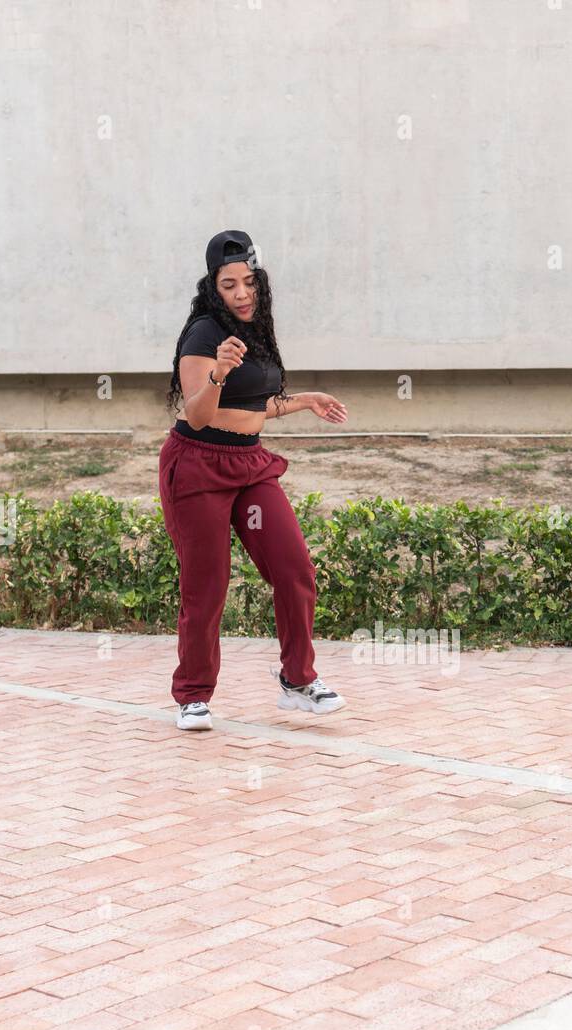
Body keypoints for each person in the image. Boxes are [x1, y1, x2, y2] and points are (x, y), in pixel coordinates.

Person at [160, 229, 347, 730]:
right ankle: (193, 696)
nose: (242, 293)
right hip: (198, 462)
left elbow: (253, 405)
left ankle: (297, 679)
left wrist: (303, 400)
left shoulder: (258, 327)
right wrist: (218, 372)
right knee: (208, 582)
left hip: (249, 464)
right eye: (229, 284)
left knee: (294, 569)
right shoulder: (203, 334)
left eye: (248, 282)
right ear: (212, 287)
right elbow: (199, 414)